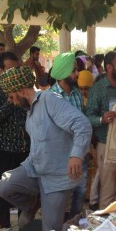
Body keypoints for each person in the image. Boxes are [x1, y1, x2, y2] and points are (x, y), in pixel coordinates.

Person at [0, 66, 92, 231]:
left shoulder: (49, 100)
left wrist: (76, 155)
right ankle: (31, 205)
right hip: (34, 169)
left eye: (11, 96)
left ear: (21, 90)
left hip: (56, 177)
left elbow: (82, 124)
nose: (11, 101)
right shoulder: (29, 110)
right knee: (4, 186)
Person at [0, 52, 30, 229]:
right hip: (5, 148)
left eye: (17, 69)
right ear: (1, 70)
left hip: (26, 147)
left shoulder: (25, 89)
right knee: (3, 190)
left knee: (25, 191)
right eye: (10, 70)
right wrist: (11, 99)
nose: (14, 74)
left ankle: (23, 228)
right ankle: (3, 228)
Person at [85, 51, 116, 209]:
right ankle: (105, 229)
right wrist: (102, 119)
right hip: (106, 145)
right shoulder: (97, 89)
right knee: (108, 192)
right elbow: (88, 117)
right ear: (109, 67)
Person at [49, 52, 89, 218]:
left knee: (80, 190)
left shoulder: (77, 94)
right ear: (63, 72)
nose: (77, 74)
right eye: (73, 70)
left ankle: (74, 223)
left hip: (79, 151)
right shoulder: (51, 97)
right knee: (62, 193)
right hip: (61, 154)